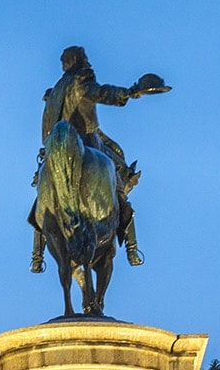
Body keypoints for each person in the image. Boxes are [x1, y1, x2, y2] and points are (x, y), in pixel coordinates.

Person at [30, 45, 168, 269]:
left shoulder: (55, 90)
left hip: (52, 151)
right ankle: (132, 247)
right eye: (85, 59)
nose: (89, 63)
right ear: (80, 61)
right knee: (118, 184)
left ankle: (37, 255)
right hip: (85, 141)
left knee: (44, 196)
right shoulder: (80, 81)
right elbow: (102, 93)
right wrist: (131, 91)